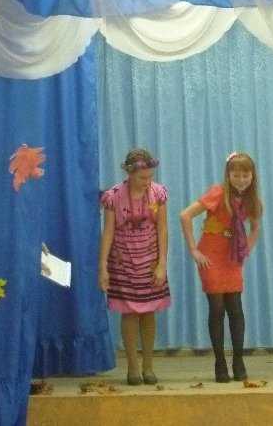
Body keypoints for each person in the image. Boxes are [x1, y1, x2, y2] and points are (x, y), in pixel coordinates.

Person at [179, 152, 262, 383]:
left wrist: (246, 249)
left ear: (252, 176)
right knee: (217, 308)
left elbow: (255, 227)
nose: (241, 179)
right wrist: (194, 249)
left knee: (235, 308)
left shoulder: (251, 199)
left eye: (245, 175)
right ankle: (220, 362)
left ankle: (238, 361)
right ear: (228, 175)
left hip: (232, 257)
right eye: (236, 175)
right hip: (211, 255)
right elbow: (185, 215)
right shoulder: (218, 193)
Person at [98, 148, 170, 386]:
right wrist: (102, 266)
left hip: (149, 262)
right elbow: (108, 232)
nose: (147, 181)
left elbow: (162, 229)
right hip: (123, 262)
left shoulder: (158, 194)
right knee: (129, 313)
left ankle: (148, 365)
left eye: (150, 177)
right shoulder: (113, 196)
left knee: (149, 312)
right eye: (142, 177)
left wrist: (161, 264)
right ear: (129, 173)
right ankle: (132, 367)